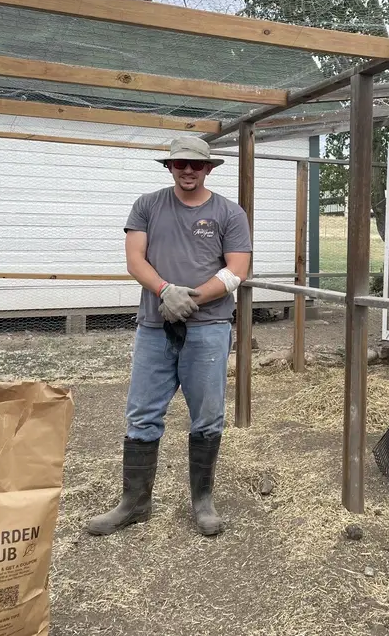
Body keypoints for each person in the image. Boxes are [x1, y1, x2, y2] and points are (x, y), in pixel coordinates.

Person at [86, 136, 251, 538]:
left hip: (209, 328)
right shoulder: (148, 205)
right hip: (154, 325)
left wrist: (190, 299)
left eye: (196, 165)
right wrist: (165, 291)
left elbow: (236, 270)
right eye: (180, 164)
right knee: (142, 413)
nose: (188, 171)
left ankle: (202, 501)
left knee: (208, 415)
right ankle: (136, 502)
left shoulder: (230, 212)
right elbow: (134, 258)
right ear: (169, 167)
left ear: (209, 168)